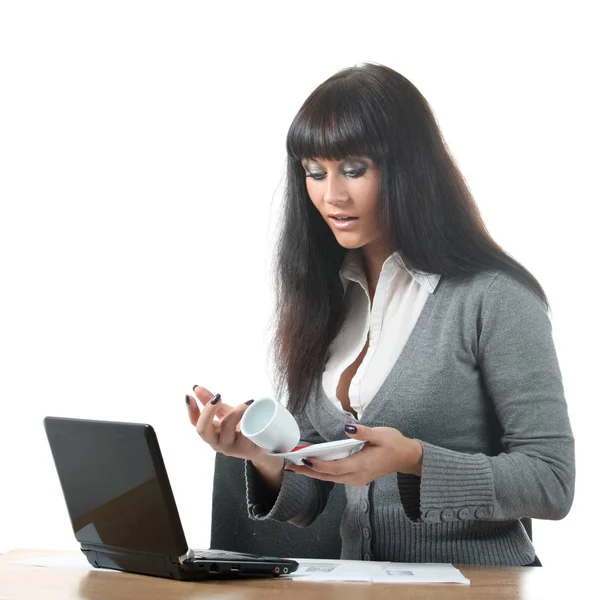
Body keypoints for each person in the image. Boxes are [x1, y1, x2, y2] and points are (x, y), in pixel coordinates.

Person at [186, 62, 575, 566]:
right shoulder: (325, 300)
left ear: (407, 167)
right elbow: (313, 497)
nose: (332, 196)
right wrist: (259, 453)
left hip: (478, 589)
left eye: (354, 169)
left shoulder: (494, 297)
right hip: (360, 586)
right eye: (315, 171)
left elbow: (552, 481)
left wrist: (414, 460)